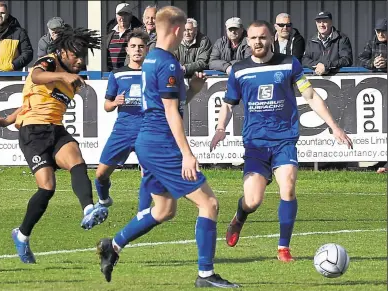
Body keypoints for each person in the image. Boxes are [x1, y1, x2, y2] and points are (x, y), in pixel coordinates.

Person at [96, 6, 238, 288]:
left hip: (148, 140)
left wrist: (193, 89)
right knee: (209, 204)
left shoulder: (151, 61)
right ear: (176, 30)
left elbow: (167, 104)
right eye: (183, 29)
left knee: (163, 210)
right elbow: (171, 112)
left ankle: (112, 246)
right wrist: (186, 153)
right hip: (161, 144)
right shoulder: (169, 63)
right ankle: (206, 275)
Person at [210, 20, 353, 262]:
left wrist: (334, 126)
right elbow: (228, 103)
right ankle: (239, 217)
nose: (258, 42)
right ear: (247, 41)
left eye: (263, 37)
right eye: (254, 38)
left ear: (272, 39)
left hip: (284, 140)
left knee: (287, 187)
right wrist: (221, 127)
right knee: (253, 201)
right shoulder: (240, 70)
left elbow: (310, 95)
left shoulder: (289, 64)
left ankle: (283, 248)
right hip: (255, 143)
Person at [0, 26, 108, 264]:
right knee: (47, 187)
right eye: (75, 54)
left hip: (56, 129)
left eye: (83, 54)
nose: (80, 59)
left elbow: (32, 100)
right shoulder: (50, 62)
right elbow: (35, 78)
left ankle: (88, 209)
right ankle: (21, 235)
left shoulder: (74, 80)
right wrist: (7, 121)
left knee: (77, 161)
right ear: (63, 51)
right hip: (32, 132)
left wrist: (6, 119)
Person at [95, 29, 152, 211]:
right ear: (127, 50)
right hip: (123, 130)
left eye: (141, 47)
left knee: (147, 174)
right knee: (101, 174)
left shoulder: (152, 73)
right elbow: (106, 105)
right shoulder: (117, 74)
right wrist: (115, 103)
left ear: (147, 50)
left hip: (147, 130)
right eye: (133, 46)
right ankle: (104, 200)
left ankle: (142, 214)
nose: (137, 50)